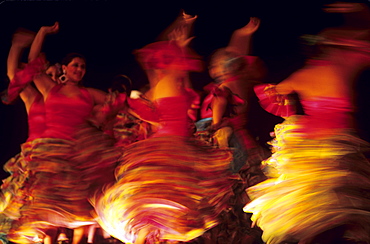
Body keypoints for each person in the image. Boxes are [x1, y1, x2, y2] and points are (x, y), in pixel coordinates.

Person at [93, 13, 239, 244]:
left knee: (168, 208)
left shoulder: (164, 86)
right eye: (175, 57)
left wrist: (184, 27)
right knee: (165, 205)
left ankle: (154, 237)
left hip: (174, 146)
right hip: (171, 148)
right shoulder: (168, 81)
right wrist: (182, 34)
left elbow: (149, 111)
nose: (183, 61)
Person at [243, 2, 370, 243]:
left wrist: (287, 110)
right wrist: (357, 11)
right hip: (334, 141)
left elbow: (272, 93)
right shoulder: (343, 67)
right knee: (333, 202)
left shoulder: (303, 75)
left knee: (313, 203)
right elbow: (365, 36)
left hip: (309, 142)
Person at [6, 22, 120, 244]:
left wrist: (101, 117)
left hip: (77, 154)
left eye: (83, 67)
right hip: (51, 154)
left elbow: (116, 103)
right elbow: (32, 64)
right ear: (65, 68)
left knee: (79, 212)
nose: (79, 69)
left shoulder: (89, 94)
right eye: (75, 65)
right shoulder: (50, 89)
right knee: (47, 210)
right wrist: (42, 33)